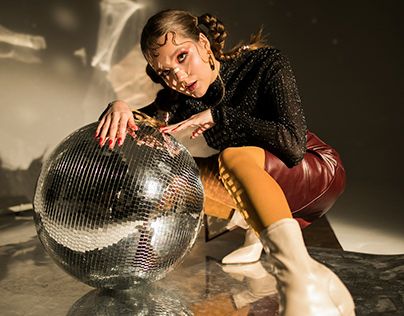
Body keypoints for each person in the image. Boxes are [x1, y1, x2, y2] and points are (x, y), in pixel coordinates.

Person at [96, 9, 355, 316]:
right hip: (262, 181)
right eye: (165, 72)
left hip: (317, 170)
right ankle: (304, 267)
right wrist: (118, 105)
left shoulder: (265, 63)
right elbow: (142, 123)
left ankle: (297, 277)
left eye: (182, 57)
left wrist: (219, 116)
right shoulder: (180, 97)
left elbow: (292, 145)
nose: (178, 77)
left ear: (204, 45)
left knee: (232, 157)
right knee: (172, 169)